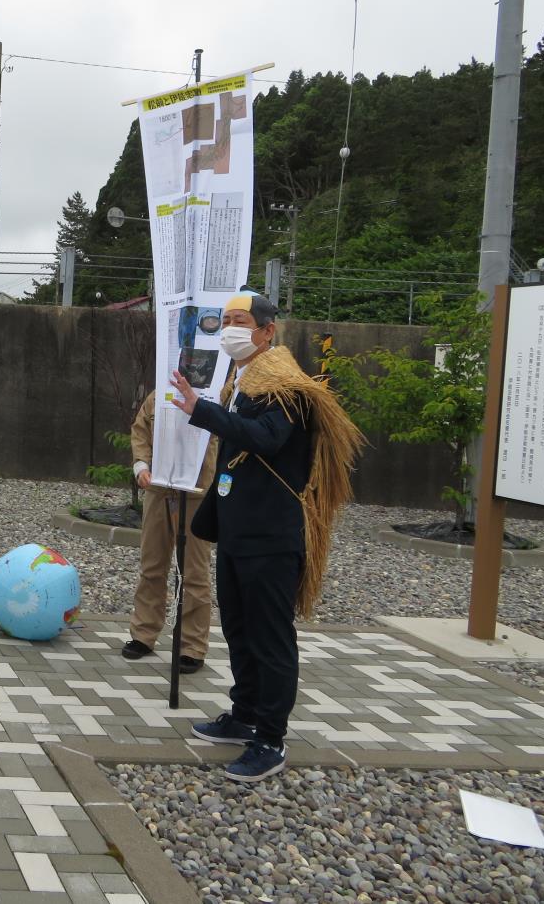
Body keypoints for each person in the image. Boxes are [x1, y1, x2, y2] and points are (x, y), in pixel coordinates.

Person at [174, 290, 362, 783]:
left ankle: (270, 738)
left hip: (273, 534)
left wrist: (203, 411)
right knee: (238, 628)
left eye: (241, 321)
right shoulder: (243, 378)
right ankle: (245, 713)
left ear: (266, 331)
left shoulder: (288, 388)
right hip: (239, 530)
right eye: (227, 320)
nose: (231, 328)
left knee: (270, 637)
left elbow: (265, 439)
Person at [121, 389, 219, 672]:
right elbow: (141, 429)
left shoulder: (212, 393)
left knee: (195, 573)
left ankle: (192, 647)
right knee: (152, 565)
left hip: (196, 491)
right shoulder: (158, 393)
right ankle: (143, 634)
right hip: (158, 489)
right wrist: (141, 465)